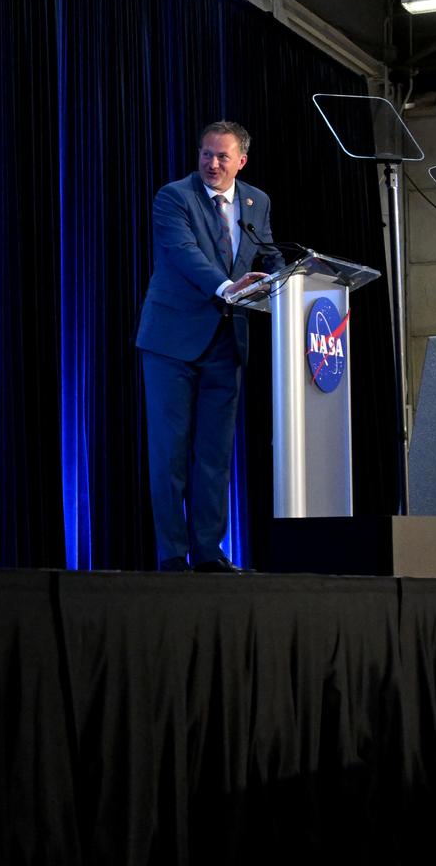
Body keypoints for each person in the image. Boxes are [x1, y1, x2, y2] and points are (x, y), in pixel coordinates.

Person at [135, 120, 284, 573]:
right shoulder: (174, 197)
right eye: (206, 154)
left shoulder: (257, 201)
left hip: (226, 342)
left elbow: (267, 252)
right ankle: (171, 555)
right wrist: (227, 287)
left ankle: (208, 553)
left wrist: (294, 277)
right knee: (170, 454)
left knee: (215, 458)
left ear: (242, 160)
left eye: (222, 156)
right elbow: (184, 254)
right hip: (171, 343)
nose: (212, 163)